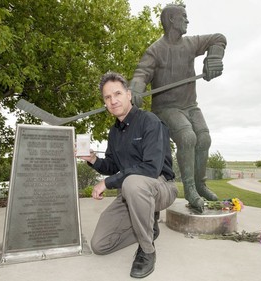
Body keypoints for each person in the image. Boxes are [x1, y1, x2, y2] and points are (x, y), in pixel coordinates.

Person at [77, 72, 178, 278]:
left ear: (129, 95)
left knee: (132, 184)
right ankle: (149, 226)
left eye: (117, 93)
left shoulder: (150, 121)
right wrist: (92, 160)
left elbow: (151, 168)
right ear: (105, 102)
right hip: (131, 193)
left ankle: (147, 249)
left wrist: (107, 183)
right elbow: (112, 165)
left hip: (161, 187)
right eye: (107, 97)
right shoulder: (114, 132)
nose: (113, 100)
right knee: (100, 244)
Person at [130, 3, 227, 211]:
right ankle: (190, 189)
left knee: (204, 138)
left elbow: (219, 38)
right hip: (166, 109)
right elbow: (141, 74)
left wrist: (214, 57)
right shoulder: (155, 50)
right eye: (183, 17)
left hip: (190, 106)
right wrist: (136, 89)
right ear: (172, 20)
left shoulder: (190, 44)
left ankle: (201, 185)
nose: (187, 21)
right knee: (188, 137)